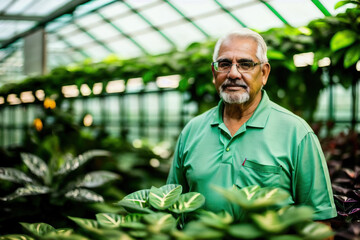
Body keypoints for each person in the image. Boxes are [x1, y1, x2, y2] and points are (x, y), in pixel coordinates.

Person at [166, 28, 337, 221]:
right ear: (214, 73)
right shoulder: (192, 130)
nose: (233, 74)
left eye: (245, 64)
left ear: (264, 73)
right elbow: (171, 206)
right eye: (224, 64)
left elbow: (320, 222)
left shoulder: (297, 133)